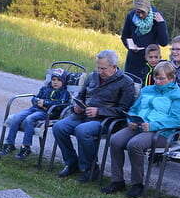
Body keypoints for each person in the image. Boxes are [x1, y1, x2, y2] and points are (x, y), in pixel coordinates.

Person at [103, 61, 180, 198]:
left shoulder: (177, 96)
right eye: (156, 78)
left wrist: (153, 125)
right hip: (139, 126)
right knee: (115, 140)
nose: (158, 81)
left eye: (162, 79)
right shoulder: (147, 90)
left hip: (161, 133)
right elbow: (134, 108)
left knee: (134, 144)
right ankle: (117, 181)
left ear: (171, 79)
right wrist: (131, 120)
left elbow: (176, 120)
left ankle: (137, 184)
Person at [52, 50, 137, 183]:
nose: (99, 71)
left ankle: (90, 169)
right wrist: (77, 105)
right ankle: (72, 162)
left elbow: (124, 110)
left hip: (106, 121)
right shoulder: (92, 76)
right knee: (59, 127)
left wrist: (99, 111)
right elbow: (81, 95)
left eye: (103, 68)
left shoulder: (126, 82)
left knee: (82, 130)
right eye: (98, 67)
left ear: (114, 67)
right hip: (83, 115)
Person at [0, 68, 70, 160]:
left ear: (63, 82)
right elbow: (34, 98)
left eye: (59, 80)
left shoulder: (64, 93)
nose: (55, 82)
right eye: (53, 80)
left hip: (48, 113)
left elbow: (61, 104)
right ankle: (9, 144)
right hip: (34, 108)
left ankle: (26, 147)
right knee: (16, 117)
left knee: (29, 119)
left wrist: (45, 103)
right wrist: (38, 102)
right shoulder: (45, 89)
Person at [120, 0, 169, 79]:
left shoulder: (156, 16)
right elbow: (125, 36)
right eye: (137, 12)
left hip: (151, 61)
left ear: (148, 9)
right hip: (133, 61)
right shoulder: (131, 16)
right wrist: (131, 46)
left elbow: (163, 42)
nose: (140, 15)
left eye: (143, 12)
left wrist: (161, 23)